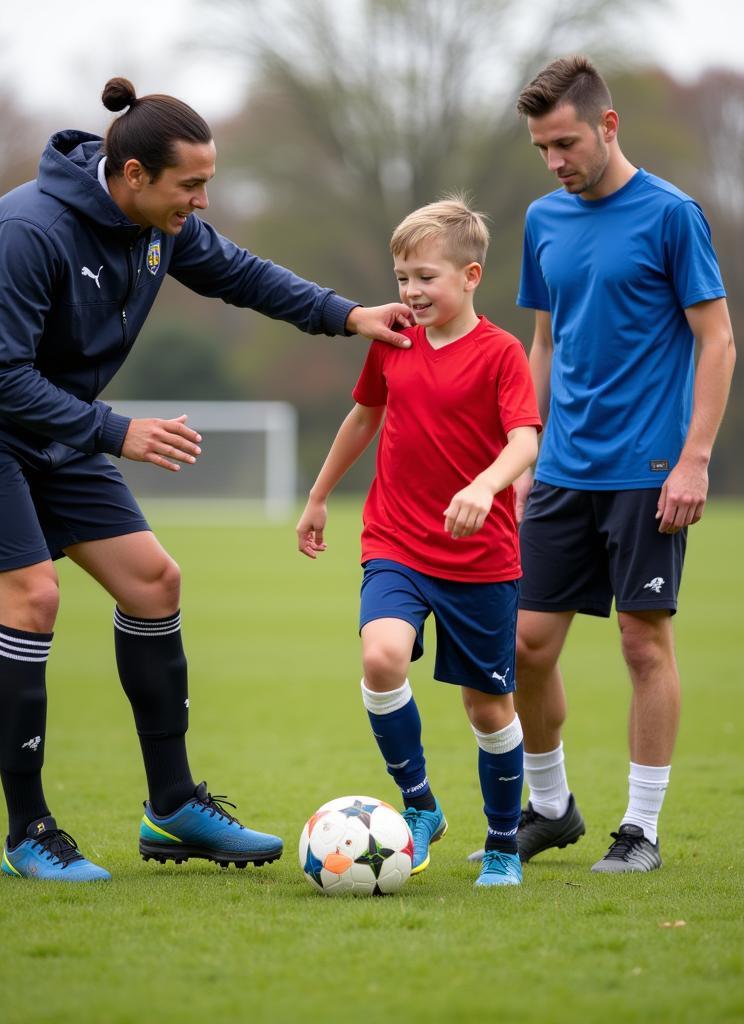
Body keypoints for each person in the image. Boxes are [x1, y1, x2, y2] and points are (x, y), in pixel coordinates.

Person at [0, 77, 413, 883]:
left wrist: (347, 315)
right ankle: (28, 833)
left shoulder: (161, 225)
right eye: (190, 185)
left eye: (207, 184)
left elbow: (241, 273)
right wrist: (118, 432)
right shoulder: (31, 231)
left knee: (155, 582)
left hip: (49, 412)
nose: (201, 200)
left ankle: (171, 808)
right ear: (132, 176)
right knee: (32, 596)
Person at [469, 55, 736, 873]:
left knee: (641, 642)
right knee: (524, 646)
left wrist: (693, 459)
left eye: (566, 142)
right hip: (559, 472)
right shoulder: (544, 220)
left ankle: (641, 830)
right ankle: (551, 808)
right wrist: (524, 447)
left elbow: (716, 338)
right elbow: (543, 341)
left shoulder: (671, 215)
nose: (556, 161)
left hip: (648, 469)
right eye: (543, 148)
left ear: (607, 126)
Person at [295, 197, 541, 887]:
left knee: (487, 709)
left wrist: (485, 486)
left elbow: (526, 438)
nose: (410, 291)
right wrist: (317, 497)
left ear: (470, 275)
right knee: (381, 658)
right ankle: (420, 804)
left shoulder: (501, 353)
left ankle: (500, 844)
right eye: (403, 276)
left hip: (481, 558)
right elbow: (363, 416)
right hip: (396, 541)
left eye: (425, 276)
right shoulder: (392, 339)